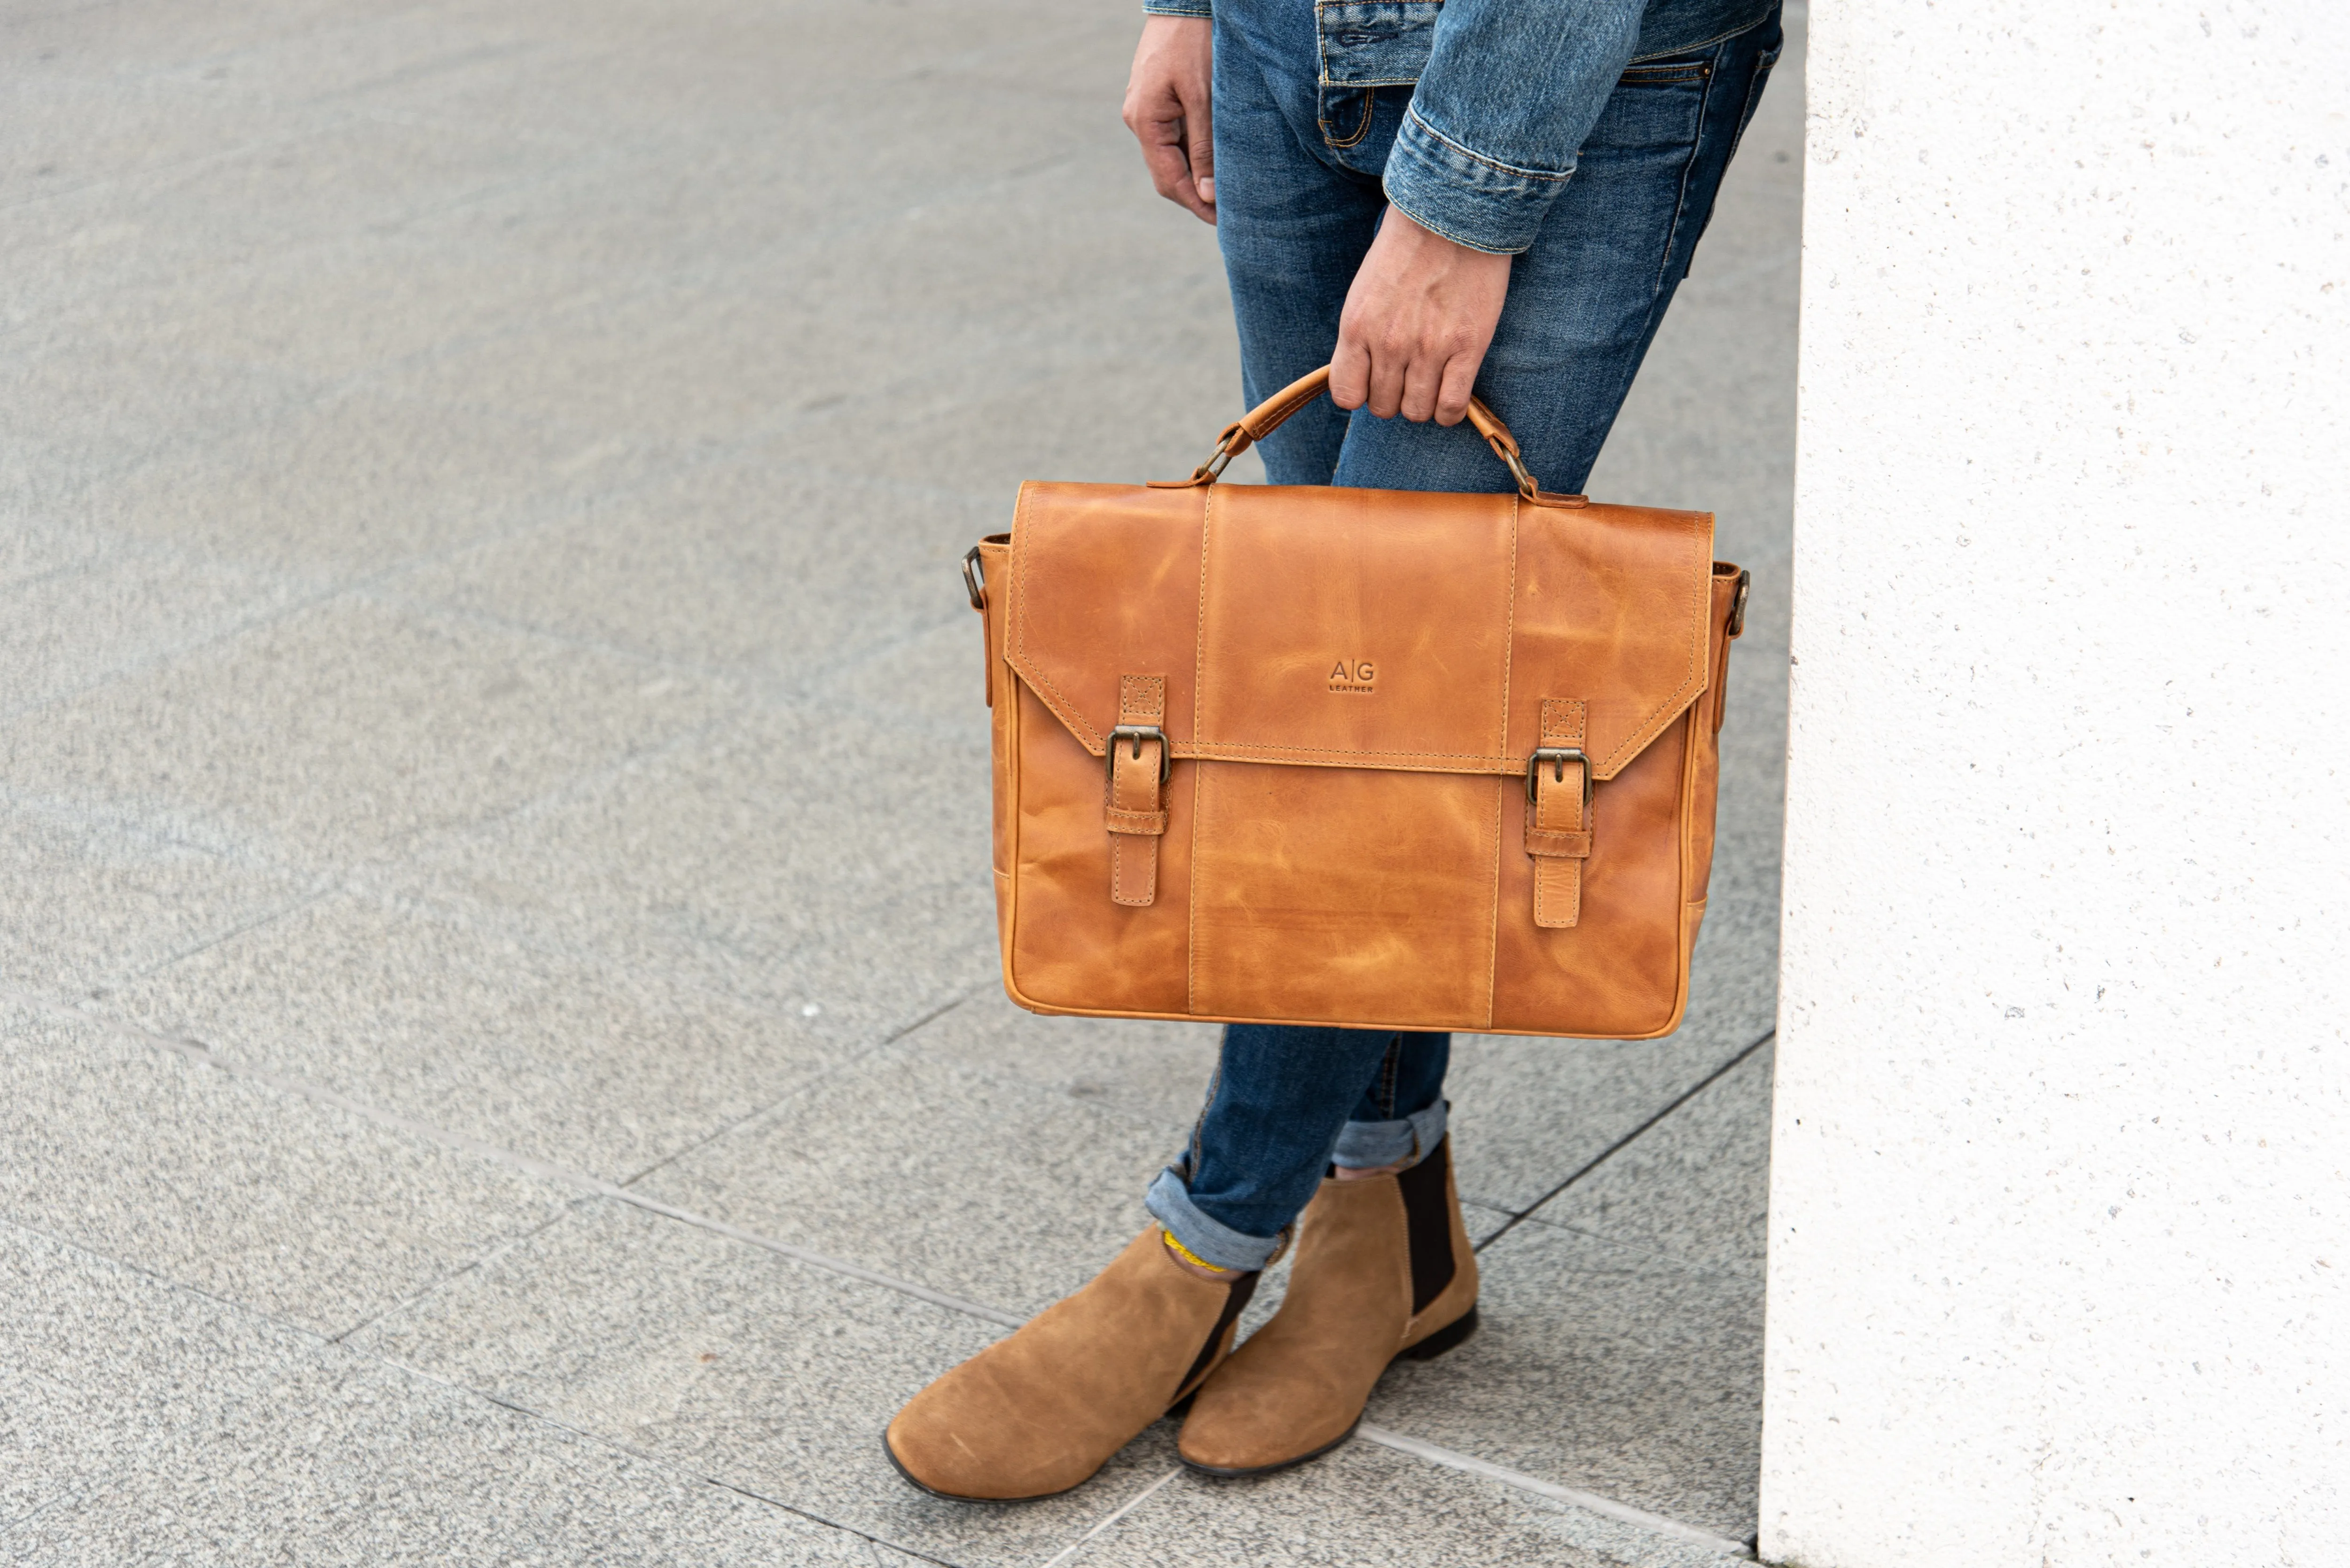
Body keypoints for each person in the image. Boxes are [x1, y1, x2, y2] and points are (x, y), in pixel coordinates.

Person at [884, 0, 1783, 1501]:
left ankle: (1208, 1240)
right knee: (1342, 705)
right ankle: (1391, 1221)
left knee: (1380, 697)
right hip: (1278, 40)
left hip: (1564, 71)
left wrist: (1464, 201)